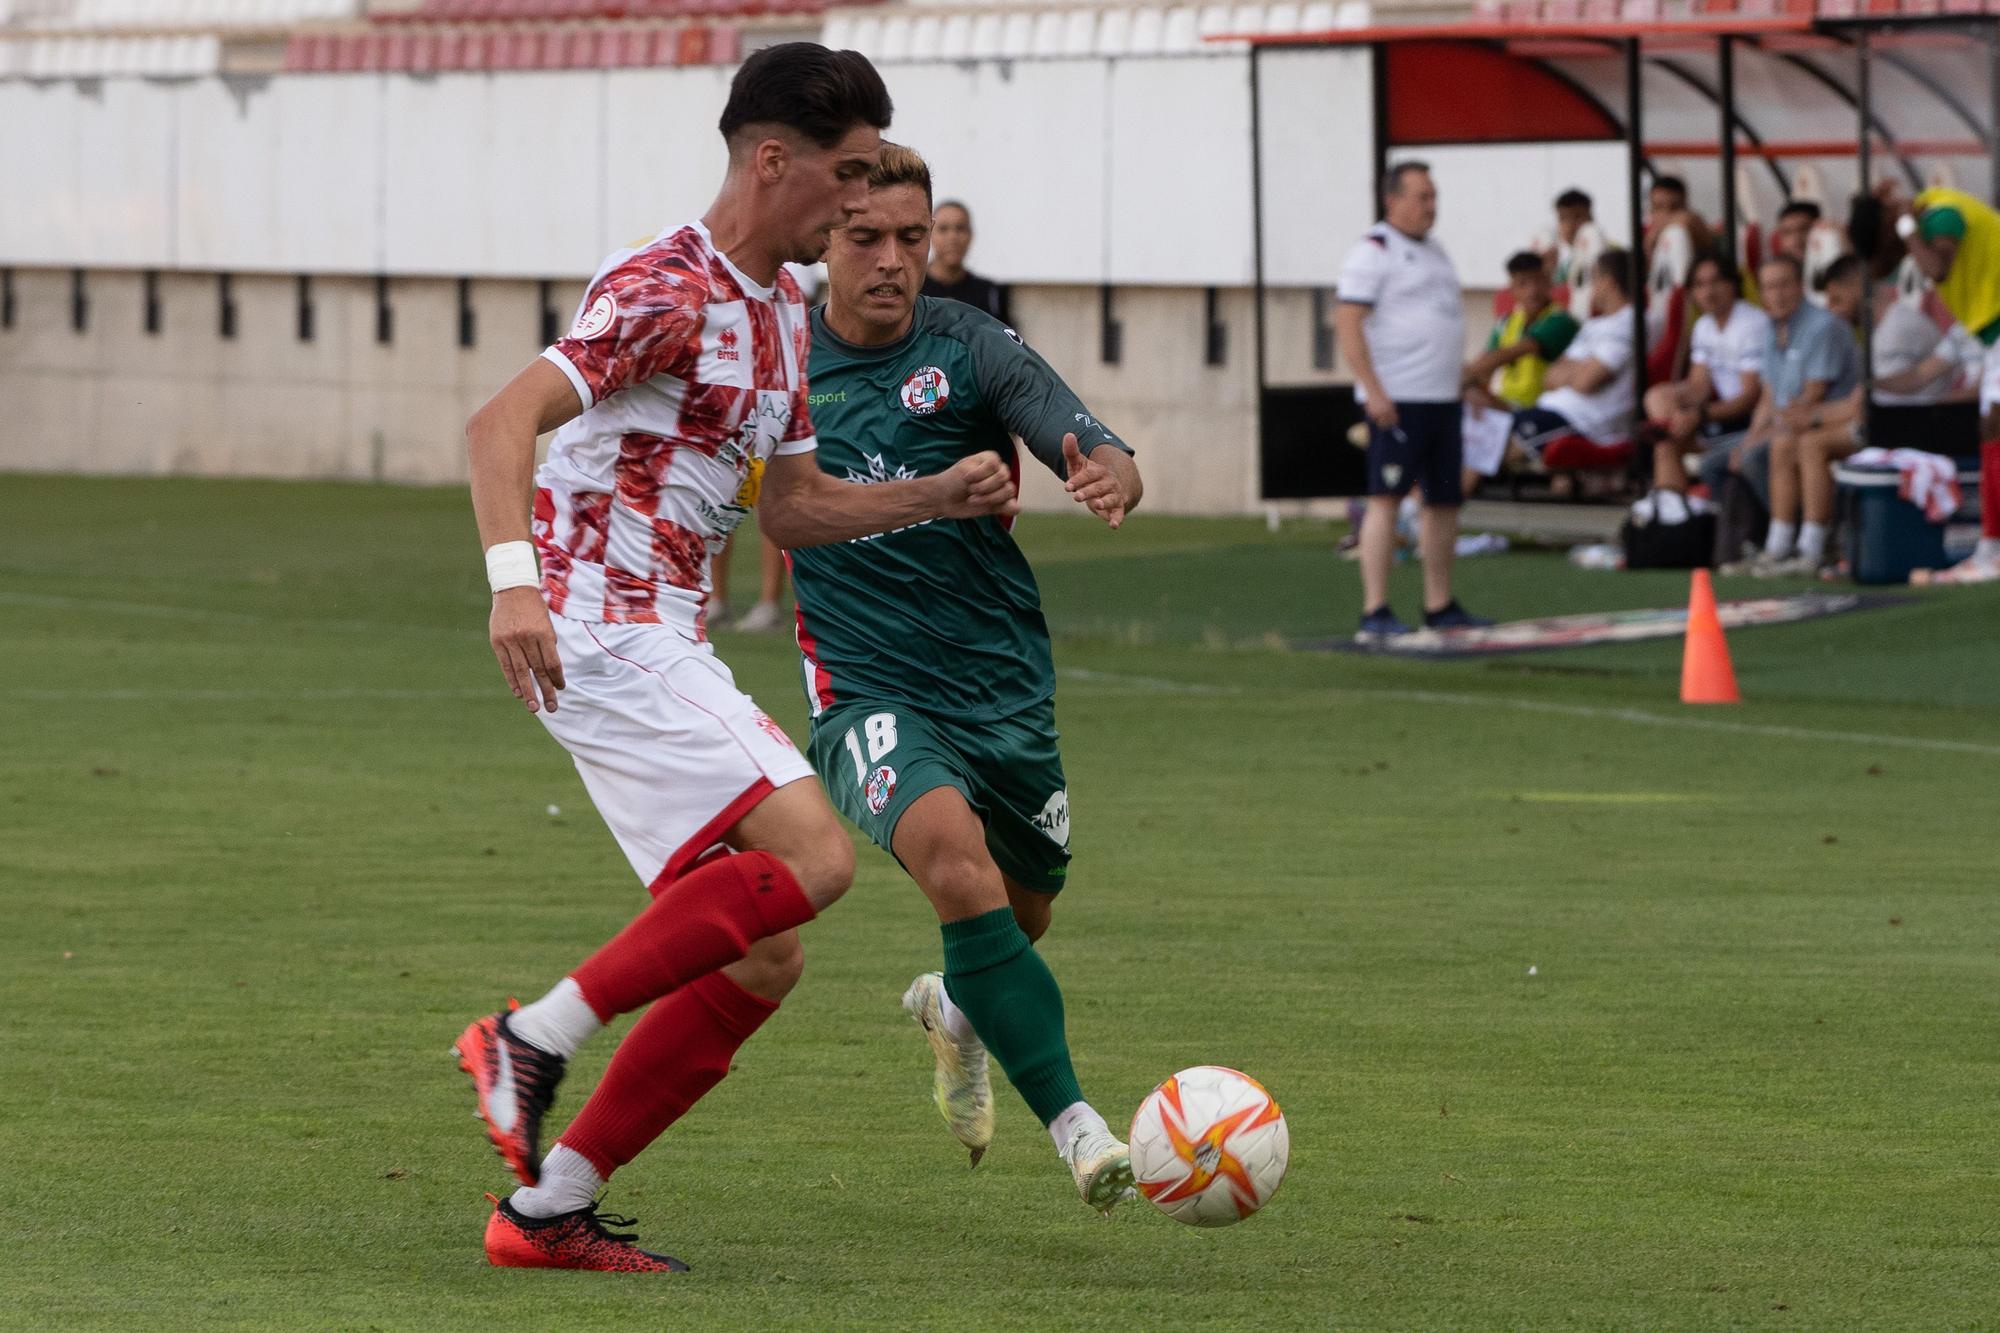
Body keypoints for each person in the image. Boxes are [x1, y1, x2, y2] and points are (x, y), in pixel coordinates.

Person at [454, 44, 1020, 1273]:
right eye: (849, 174)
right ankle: (530, 1036)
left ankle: (546, 1209)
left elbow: (793, 508)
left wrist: (935, 491)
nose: (865, 205)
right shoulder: (669, 286)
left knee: (765, 948)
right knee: (815, 856)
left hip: (661, 635)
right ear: (775, 162)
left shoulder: (776, 313)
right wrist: (515, 591)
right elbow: (499, 422)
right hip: (600, 625)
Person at [788, 144, 1144, 1212]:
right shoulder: (778, 357)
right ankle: (1081, 1130)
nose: (895, 260)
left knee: (1015, 915)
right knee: (954, 866)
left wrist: (1101, 462)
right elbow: (776, 506)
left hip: (998, 681)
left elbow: (1069, 424)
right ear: (823, 241)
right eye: (867, 238)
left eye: (912, 236)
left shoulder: (972, 344)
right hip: (864, 685)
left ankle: (956, 1010)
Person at [1335, 161, 1489, 641]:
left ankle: (1439, 604)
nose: (1431, 207)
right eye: (1422, 197)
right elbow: (1347, 325)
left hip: (1442, 400)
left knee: (1444, 500)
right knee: (1386, 498)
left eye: (1433, 196)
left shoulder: (1436, 251)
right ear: (1393, 200)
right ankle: (1375, 609)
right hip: (1399, 401)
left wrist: (1464, 382)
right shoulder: (1373, 253)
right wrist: (1374, 391)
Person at [1760, 257, 1974, 574]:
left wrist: (1815, 418)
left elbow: (1872, 404)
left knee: (1811, 443)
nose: (1832, 308)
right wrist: (1824, 409)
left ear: (1858, 288)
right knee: (1787, 442)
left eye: (1838, 298)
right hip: (1903, 417)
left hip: (1920, 424)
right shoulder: (1887, 329)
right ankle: (1778, 546)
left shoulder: (1896, 330)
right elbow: (1905, 382)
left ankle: (1811, 549)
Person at [1705, 254, 1861, 561]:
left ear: (1799, 286)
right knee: (1714, 464)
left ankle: (1803, 535)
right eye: (1768, 288)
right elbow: (1768, 397)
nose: (1776, 295)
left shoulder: (1822, 326)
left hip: (1822, 424)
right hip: (1784, 425)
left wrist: (1754, 443)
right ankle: (1748, 540)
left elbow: (1811, 398)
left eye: (1783, 285)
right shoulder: (1770, 329)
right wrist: (1751, 436)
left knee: (1757, 455)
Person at [1896, 185, 2000, 579]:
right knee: (1991, 428)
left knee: (1994, 426)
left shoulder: (1942, 213)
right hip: (1994, 337)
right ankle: (1991, 546)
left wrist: (1905, 225)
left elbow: (1937, 268)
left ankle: (1993, 547)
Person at [1648, 254, 1770, 494]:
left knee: (1665, 446)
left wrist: (1698, 416)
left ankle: (1672, 515)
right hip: (1720, 416)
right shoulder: (1704, 326)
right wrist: (1674, 405)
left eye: (1715, 282)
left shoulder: (1751, 323)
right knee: (1657, 399)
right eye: (1700, 285)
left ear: (1732, 285)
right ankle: (1671, 512)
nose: (1708, 291)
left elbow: (1750, 397)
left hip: (1752, 420)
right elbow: (1699, 386)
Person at [1461, 251, 1579, 490]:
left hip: (1542, 411)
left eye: (1538, 281)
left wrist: (1457, 378)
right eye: (1523, 284)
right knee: (1466, 401)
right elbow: (1483, 366)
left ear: (1549, 283)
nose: (1532, 291)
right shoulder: (1506, 322)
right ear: (1512, 289)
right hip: (1508, 407)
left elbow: (1514, 352)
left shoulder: (1560, 321)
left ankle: (1447, 496)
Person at [1511, 249, 1640, 463]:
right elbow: (1550, 377)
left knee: (1490, 445)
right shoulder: (1594, 325)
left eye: (1594, 279)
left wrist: (1576, 371)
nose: (1591, 287)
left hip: (1583, 421)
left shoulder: (1630, 322)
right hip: (1550, 410)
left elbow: (1586, 381)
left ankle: (1450, 492)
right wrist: (1582, 369)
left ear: (1608, 282)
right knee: (1484, 433)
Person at [922, 199, 1009, 324]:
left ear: (971, 235)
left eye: (960, 228)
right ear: (929, 234)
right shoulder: (915, 288)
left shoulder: (989, 293)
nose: (952, 237)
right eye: (943, 229)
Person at [1548, 187, 1606, 323]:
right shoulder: (1564, 265)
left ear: (1591, 219)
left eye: (1577, 217)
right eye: (1563, 219)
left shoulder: (1609, 253)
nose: (1570, 225)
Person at [1644, 174, 1716, 263]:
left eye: (1674, 208)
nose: (1665, 214)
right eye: (1658, 207)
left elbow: (1688, 219)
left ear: (1685, 206)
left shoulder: (1692, 222)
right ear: (1651, 210)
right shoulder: (1644, 238)